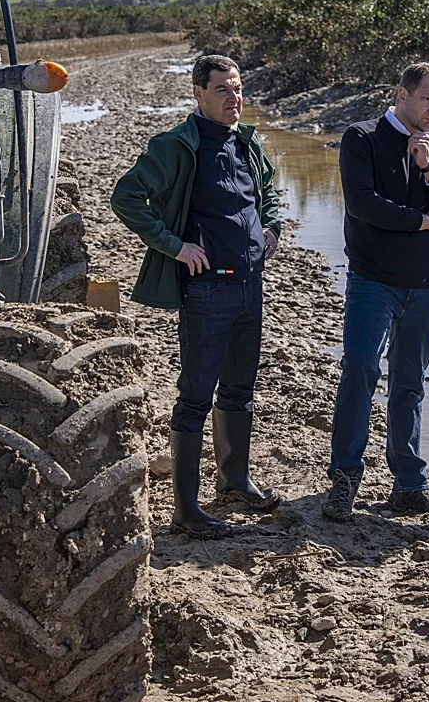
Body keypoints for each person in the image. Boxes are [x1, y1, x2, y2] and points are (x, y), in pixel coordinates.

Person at [111, 54, 284, 539]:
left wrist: (271, 226)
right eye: (223, 90)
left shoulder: (246, 142)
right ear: (198, 94)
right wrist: (174, 245)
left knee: (240, 390)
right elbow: (126, 197)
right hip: (207, 290)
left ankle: (234, 482)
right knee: (195, 398)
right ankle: (186, 511)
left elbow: (267, 189)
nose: (235, 98)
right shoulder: (175, 146)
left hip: (251, 286)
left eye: (238, 87)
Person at [323, 61, 429, 520]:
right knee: (360, 372)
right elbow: (363, 203)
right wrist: (422, 221)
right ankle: (345, 479)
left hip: (424, 287)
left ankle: (409, 483)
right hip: (372, 281)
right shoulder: (362, 138)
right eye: (428, 99)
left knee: (409, 384)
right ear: (402, 95)